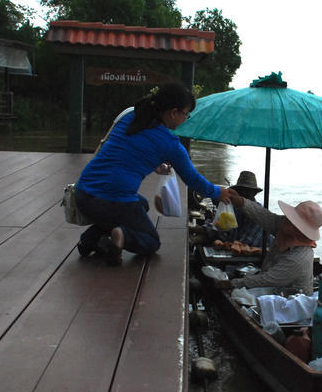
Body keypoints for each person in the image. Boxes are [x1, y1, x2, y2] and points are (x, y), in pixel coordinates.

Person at [74, 82, 240, 265]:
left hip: (82, 194)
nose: (186, 118)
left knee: (142, 204)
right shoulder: (171, 144)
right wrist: (218, 192)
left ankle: (88, 241)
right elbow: (193, 180)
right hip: (112, 201)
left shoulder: (131, 116)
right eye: (186, 114)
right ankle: (121, 235)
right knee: (151, 242)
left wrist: (154, 165)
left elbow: (124, 151)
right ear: (173, 112)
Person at [216, 198, 322, 295]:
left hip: (290, 302)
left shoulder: (299, 257)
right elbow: (265, 217)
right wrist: (241, 202)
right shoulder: (287, 228)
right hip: (274, 289)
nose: (286, 221)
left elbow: (267, 279)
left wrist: (233, 283)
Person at [193, 170, 274, 249]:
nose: (244, 193)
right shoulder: (234, 208)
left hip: (256, 253)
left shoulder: (259, 214)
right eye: (241, 190)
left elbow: (245, 244)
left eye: (248, 191)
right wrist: (199, 230)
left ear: (255, 193)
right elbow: (222, 228)